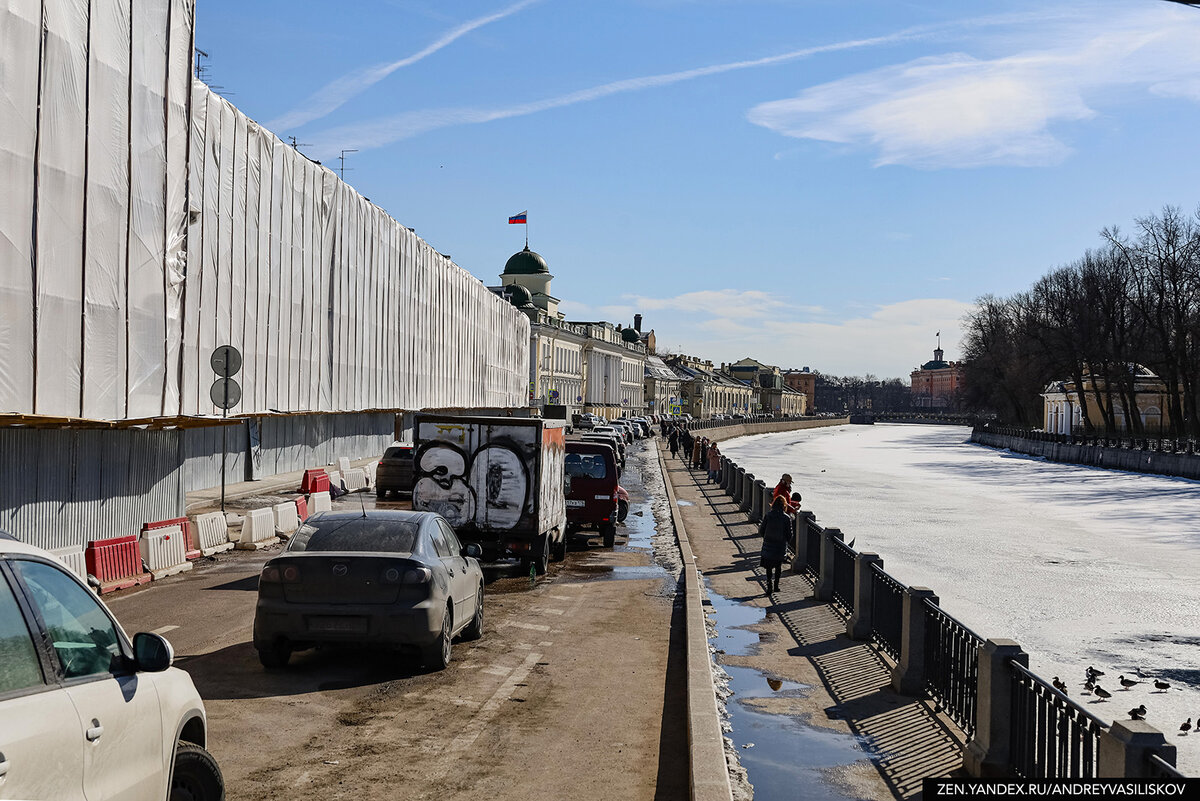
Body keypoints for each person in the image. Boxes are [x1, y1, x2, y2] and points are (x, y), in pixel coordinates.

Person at [759, 496, 791, 594]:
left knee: (768, 567)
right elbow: (789, 534)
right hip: (780, 546)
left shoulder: (768, 515)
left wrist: (766, 537)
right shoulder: (786, 518)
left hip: (768, 544)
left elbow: (761, 530)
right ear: (783, 506)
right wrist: (786, 541)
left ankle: (769, 586)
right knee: (778, 566)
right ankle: (776, 586)